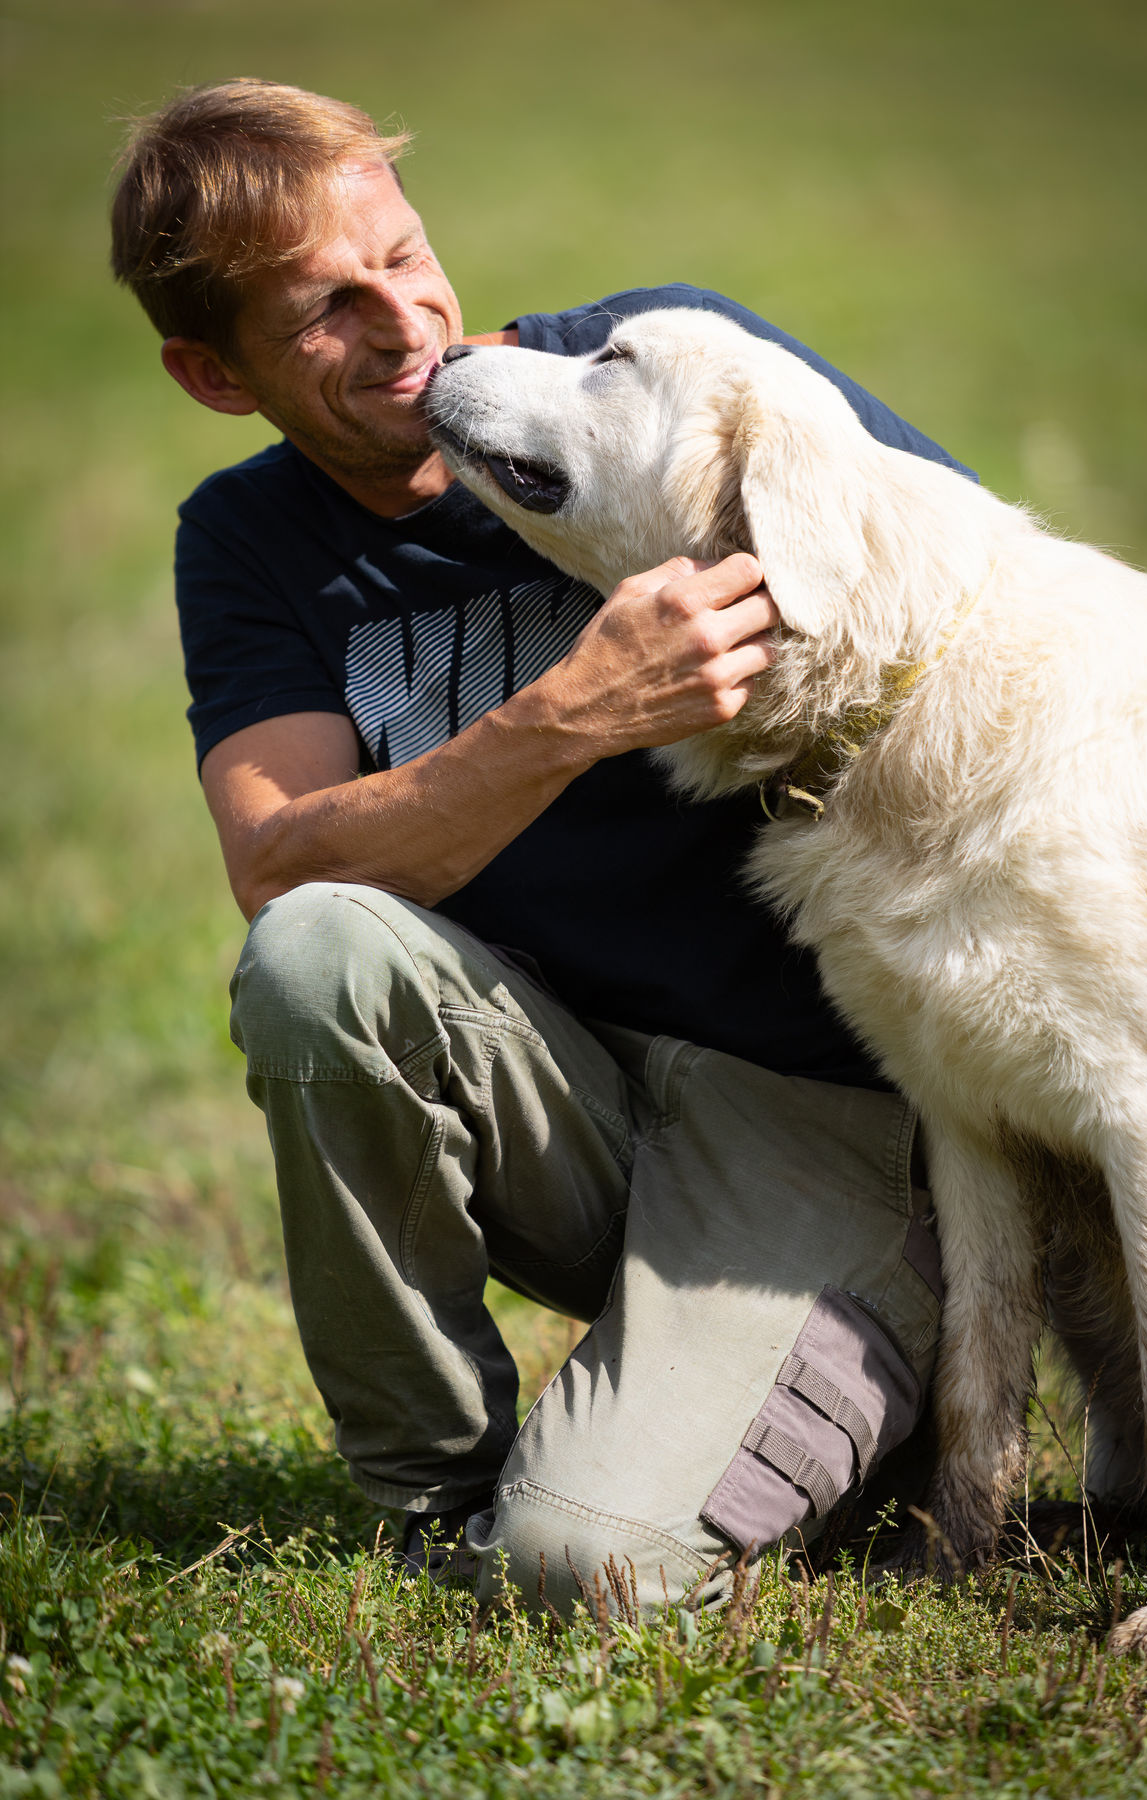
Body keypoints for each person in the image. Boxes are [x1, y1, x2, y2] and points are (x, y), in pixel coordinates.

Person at [111, 79, 962, 1617]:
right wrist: (570, 716)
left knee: (587, 1572)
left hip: (822, 1106)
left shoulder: (663, 375)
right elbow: (279, 867)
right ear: (212, 373)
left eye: (405, 253)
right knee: (317, 951)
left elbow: (970, 596)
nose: (405, 321)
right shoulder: (244, 542)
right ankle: (436, 1504)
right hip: (569, 1089)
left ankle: (874, 1353)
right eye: (323, 310)